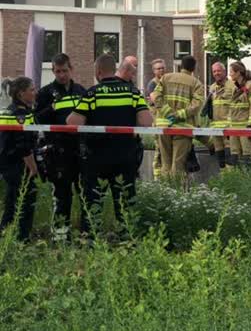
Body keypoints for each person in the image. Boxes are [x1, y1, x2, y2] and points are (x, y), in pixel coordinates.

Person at [66, 54, 152, 234]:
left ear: (98, 72)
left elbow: (72, 123)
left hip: (97, 157)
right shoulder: (132, 92)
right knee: (125, 203)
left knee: (93, 201)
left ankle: (91, 239)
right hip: (125, 156)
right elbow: (146, 121)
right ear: (114, 70)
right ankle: (128, 239)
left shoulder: (92, 93)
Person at [34, 53, 86, 232]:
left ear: (71, 69)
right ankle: (61, 235)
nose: (62, 75)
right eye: (58, 71)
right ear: (53, 71)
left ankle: (86, 235)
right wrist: (52, 108)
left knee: (85, 194)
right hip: (58, 151)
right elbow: (36, 120)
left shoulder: (81, 91)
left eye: (64, 71)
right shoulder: (45, 93)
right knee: (62, 196)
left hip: (79, 149)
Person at [152, 55, 204, 177]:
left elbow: (156, 97)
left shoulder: (166, 77)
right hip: (182, 128)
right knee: (178, 165)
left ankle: (165, 188)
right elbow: (196, 105)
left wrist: (168, 113)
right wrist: (179, 115)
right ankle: (176, 188)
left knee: (165, 163)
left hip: (164, 126)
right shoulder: (196, 83)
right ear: (193, 68)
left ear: (181, 66)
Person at [0, 77, 38, 242]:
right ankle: (22, 239)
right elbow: (23, 145)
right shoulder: (21, 114)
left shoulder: (9, 110)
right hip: (18, 164)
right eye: (32, 90)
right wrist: (33, 167)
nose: (35, 92)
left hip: (7, 163)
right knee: (26, 201)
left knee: (11, 201)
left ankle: (4, 233)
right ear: (21, 94)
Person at [227, 61, 251, 167]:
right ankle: (237, 176)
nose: (230, 74)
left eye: (231, 72)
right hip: (234, 129)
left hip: (246, 128)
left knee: (248, 156)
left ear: (238, 73)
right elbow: (232, 109)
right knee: (235, 157)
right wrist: (229, 127)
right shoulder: (235, 88)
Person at [207, 61, 234, 170]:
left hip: (228, 128)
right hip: (215, 128)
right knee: (220, 158)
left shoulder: (232, 86)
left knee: (229, 155)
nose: (216, 73)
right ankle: (224, 177)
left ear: (224, 71)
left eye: (218, 71)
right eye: (214, 71)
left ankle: (231, 177)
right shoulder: (212, 87)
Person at [146, 59, 167, 177]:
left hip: (167, 122)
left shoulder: (167, 82)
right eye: (158, 69)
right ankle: (157, 177)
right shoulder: (152, 84)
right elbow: (155, 100)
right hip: (158, 122)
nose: (161, 70)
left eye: (163, 68)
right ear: (154, 71)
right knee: (159, 150)